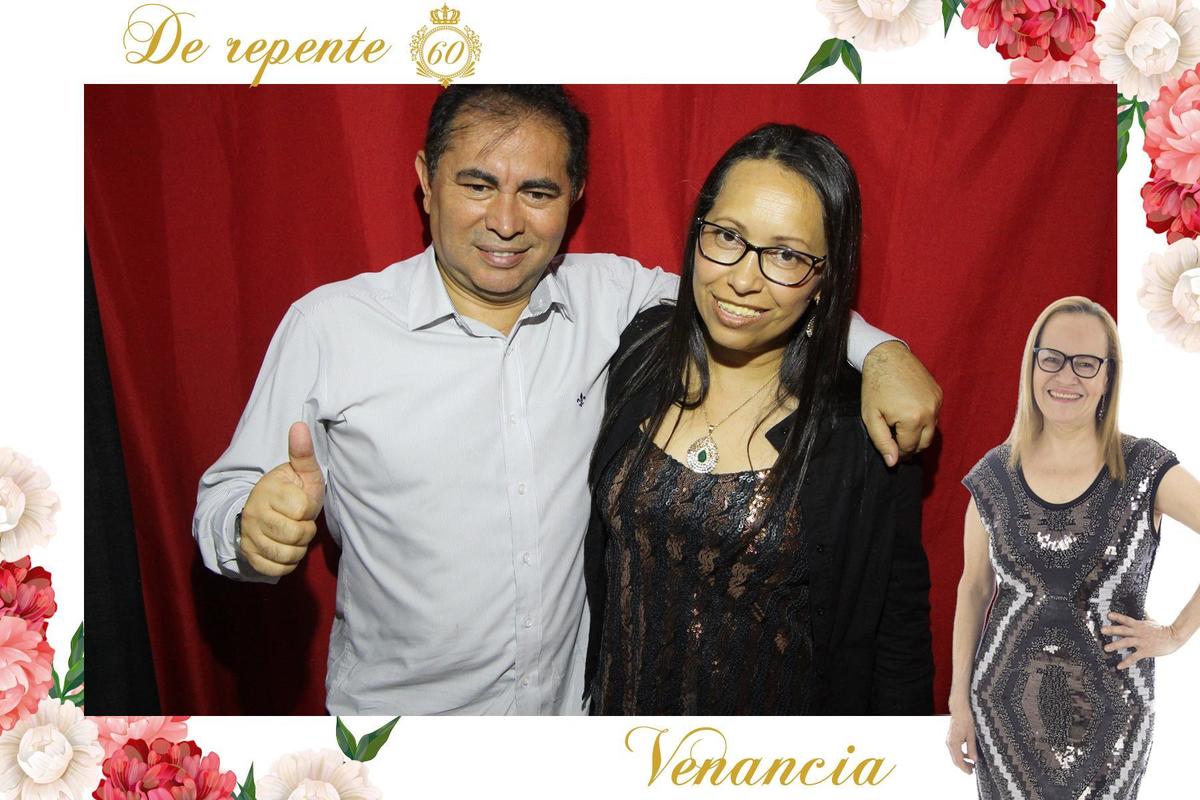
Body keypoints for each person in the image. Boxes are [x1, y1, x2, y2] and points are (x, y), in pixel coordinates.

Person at [192, 85, 943, 715]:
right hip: (402, 731)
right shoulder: (330, 327)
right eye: (477, 184)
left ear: (575, 196)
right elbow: (223, 502)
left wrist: (882, 351)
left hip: (571, 728)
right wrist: (248, 531)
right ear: (424, 177)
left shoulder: (612, 299)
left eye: (538, 192)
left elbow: (748, 287)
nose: (506, 221)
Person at [584, 124, 934, 715]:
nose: (743, 280)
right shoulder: (637, 353)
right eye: (727, 236)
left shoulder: (860, 429)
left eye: (787, 256)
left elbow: (896, 638)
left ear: (825, 278)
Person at [946, 297, 1200, 797]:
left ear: (1108, 376)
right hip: (1002, 713)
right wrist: (959, 703)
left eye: (1086, 364)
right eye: (1052, 358)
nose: (1066, 376)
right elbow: (973, 590)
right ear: (1032, 365)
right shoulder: (992, 476)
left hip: (1113, 717)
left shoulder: (1145, 468)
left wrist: (1175, 634)